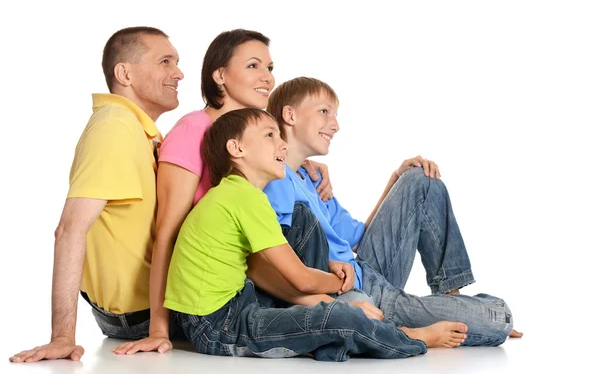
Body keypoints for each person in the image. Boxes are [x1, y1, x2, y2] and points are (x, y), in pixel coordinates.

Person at [163, 107, 469, 361]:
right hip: (218, 325)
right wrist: (340, 283)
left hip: (238, 302)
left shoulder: (239, 194)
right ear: (236, 148)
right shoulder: (243, 198)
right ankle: (411, 336)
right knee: (340, 319)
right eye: (270, 136)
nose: (282, 144)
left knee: (303, 217)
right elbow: (303, 279)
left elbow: (300, 271)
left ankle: (322, 338)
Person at [113, 29, 334, 356]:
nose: (267, 78)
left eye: (270, 69)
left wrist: (302, 166)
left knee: (304, 225)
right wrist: (158, 329)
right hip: (219, 297)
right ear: (219, 75)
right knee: (357, 306)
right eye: (254, 66)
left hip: (258, 275)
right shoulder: (191, 132)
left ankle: (334, 312)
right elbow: (167, 235)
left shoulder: (255, 137)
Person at [262, 77, 523, 347]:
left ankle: (451, 295)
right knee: (496, 318)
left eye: (335, 115)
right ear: (290, 115)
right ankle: (468, 312)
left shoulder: (313, 178)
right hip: (351, 290)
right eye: (324, 112)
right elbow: (281, 259)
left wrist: (395, 180)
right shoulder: (275, 182)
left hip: (366, 271)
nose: (335, 125)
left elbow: (361, 238)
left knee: (420, 177)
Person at [9, 26, 184, 363]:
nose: (178, 72)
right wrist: (62, 338)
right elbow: (70, 229)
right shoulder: (114, 126)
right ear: (124, 74)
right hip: (145, 318)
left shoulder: (139, 130)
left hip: (153, 310)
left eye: (176, 62)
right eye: (165, 61)